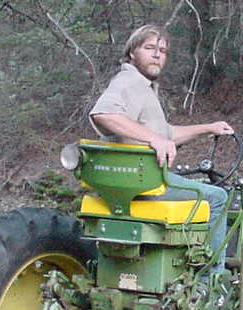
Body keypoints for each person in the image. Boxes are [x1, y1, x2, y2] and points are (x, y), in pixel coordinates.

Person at [90, 24, 234, 269]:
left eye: (162, 50)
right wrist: (154, 140)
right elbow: (103, 113)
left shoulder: (144, 89)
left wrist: (208, 128)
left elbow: (168, 134)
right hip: (141, 182)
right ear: (132, 53)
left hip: (136, 181)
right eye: (149, 48)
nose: (157, 54)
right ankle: (211, 280)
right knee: (218, 198)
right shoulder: (129, 81)